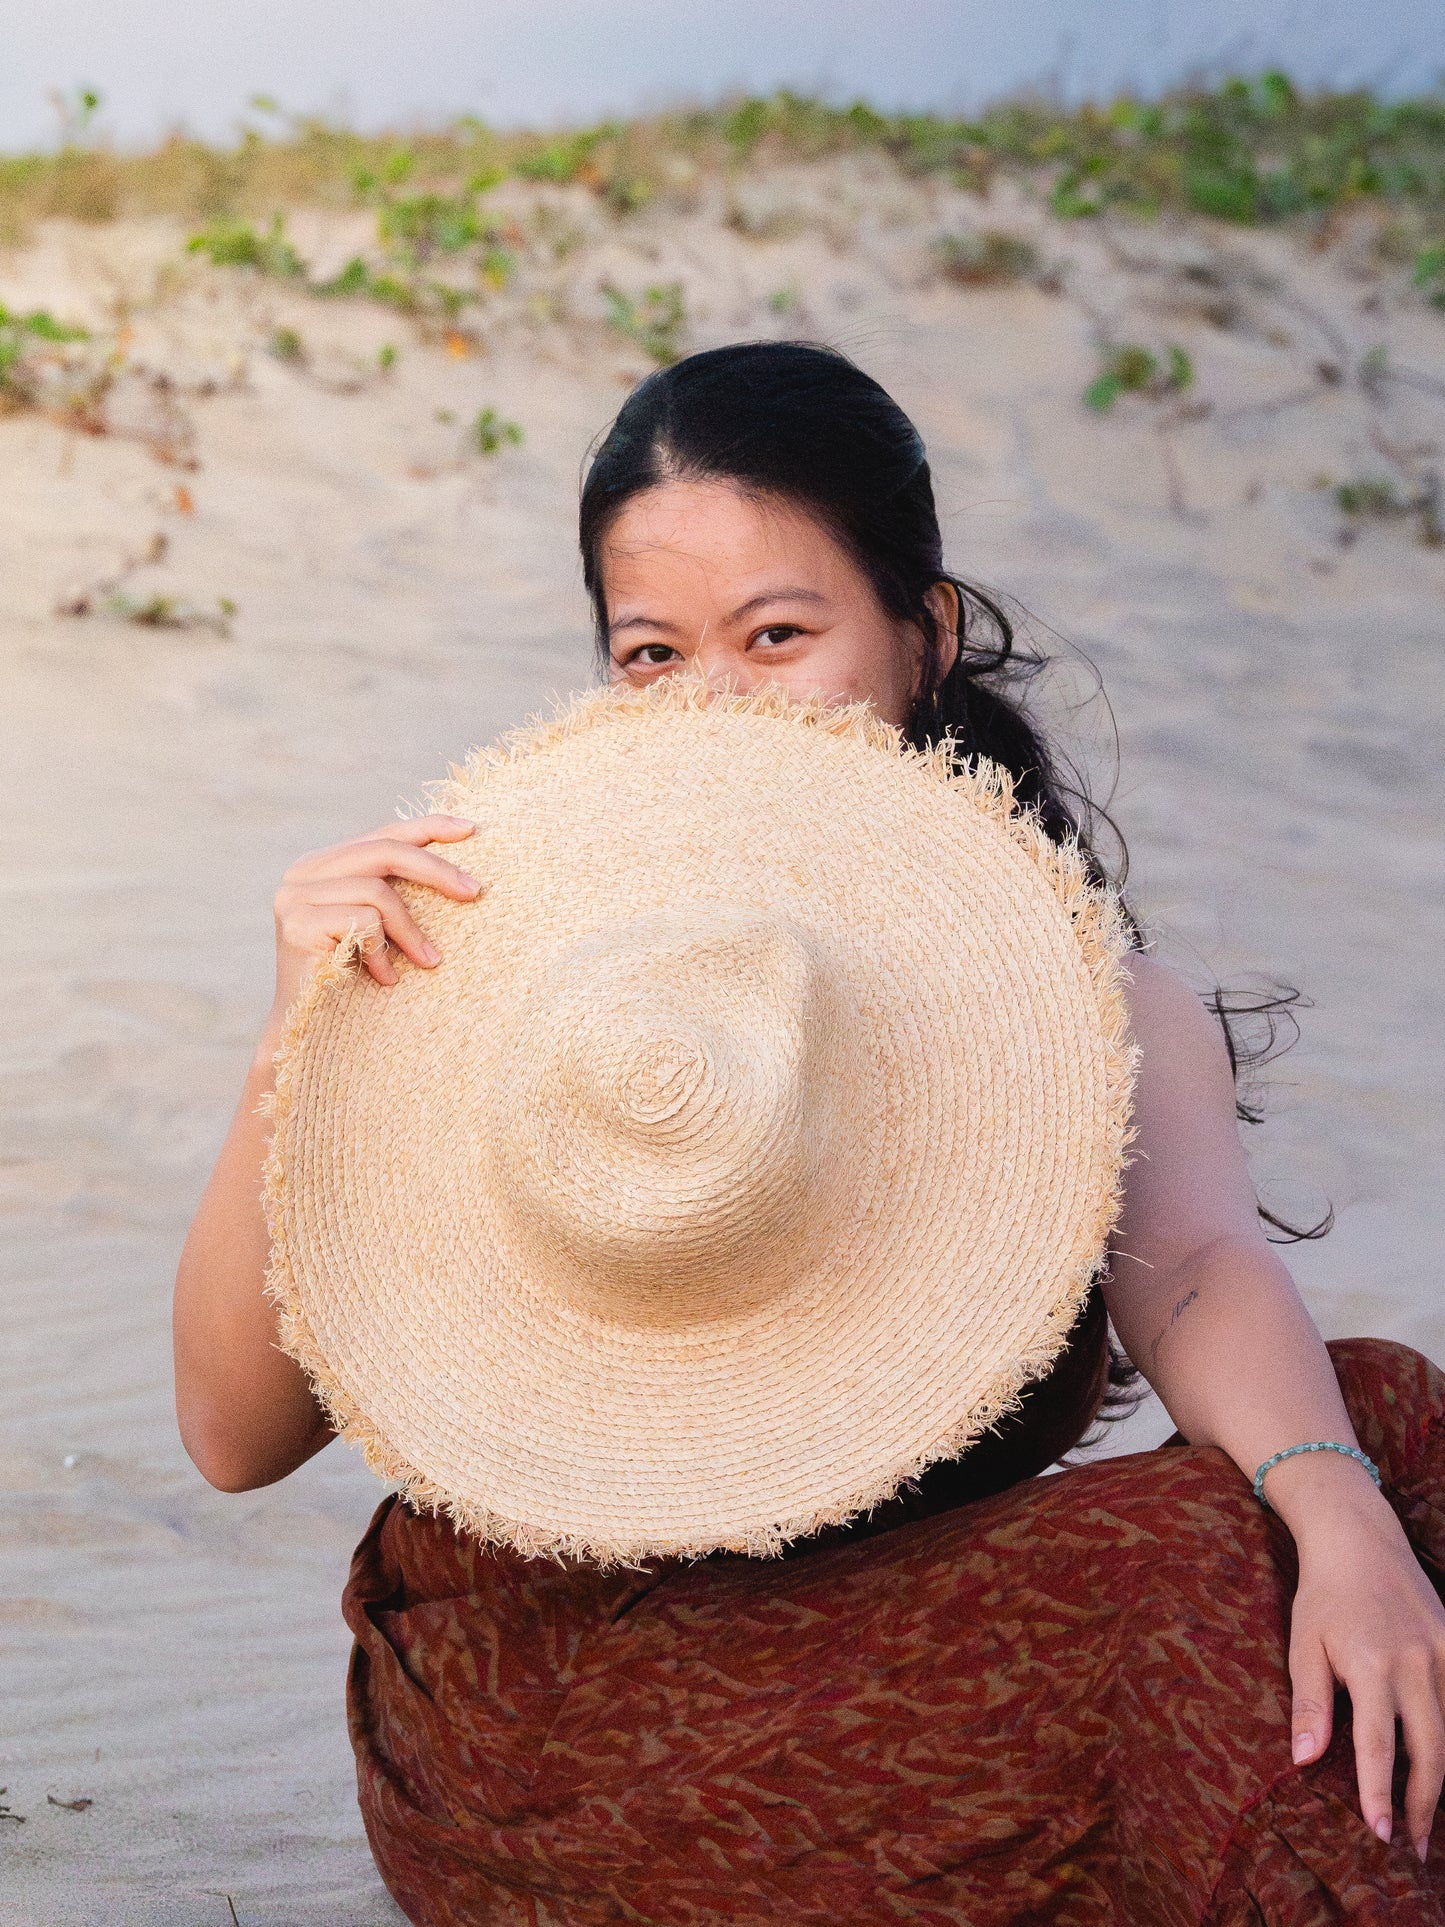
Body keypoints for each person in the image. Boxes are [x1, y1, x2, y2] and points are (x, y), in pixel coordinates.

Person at [173, 343, 1445, 1924]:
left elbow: (1189, 1267)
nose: (711, 701)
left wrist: (1339, 1515)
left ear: (927, 635)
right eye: (648, 653)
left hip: (863, 1653)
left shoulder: (1065, 1015)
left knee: (1383, 1433)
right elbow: (236, 1444)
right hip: (546, 1713)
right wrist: (291, 1049)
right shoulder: (512, 974)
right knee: (1180, 1568)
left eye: (777, 634)